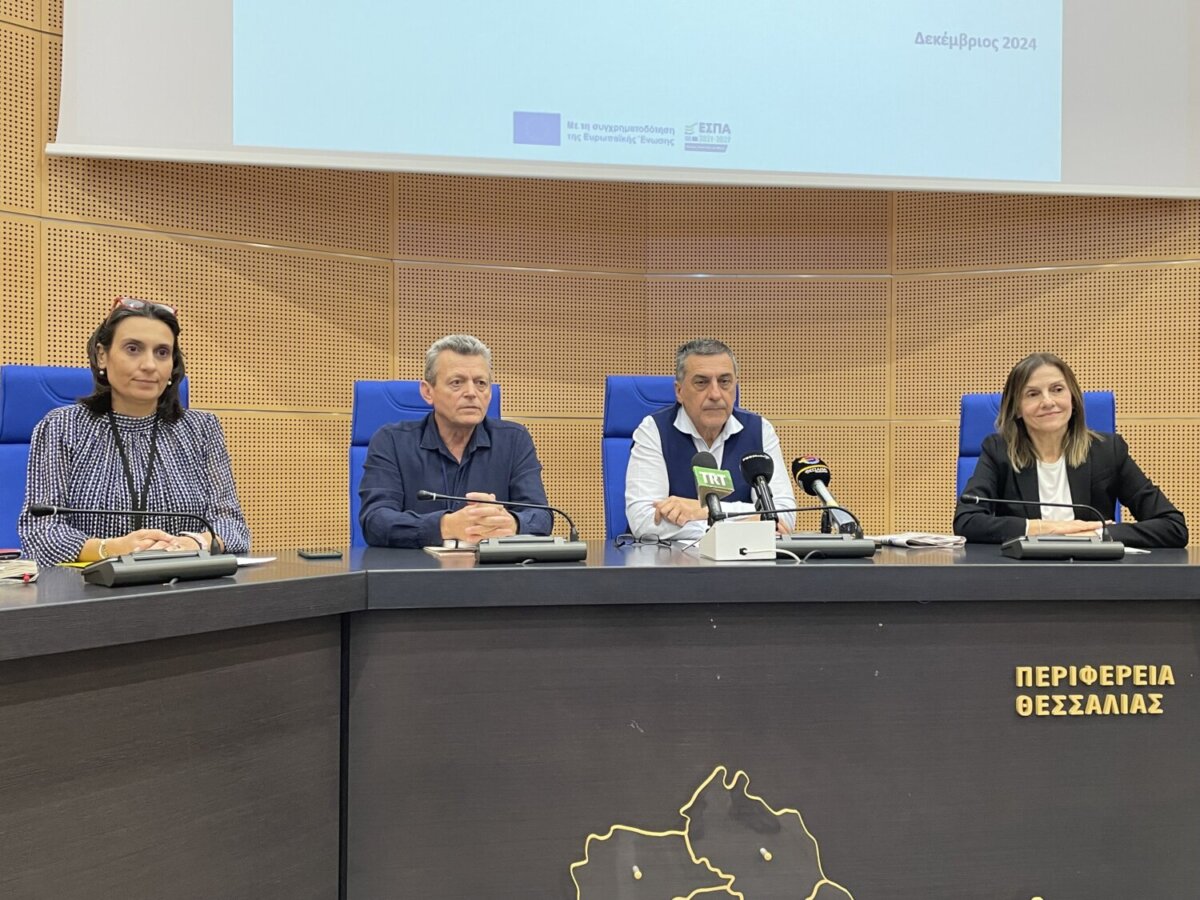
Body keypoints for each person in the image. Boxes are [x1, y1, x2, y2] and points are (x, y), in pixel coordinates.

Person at [18, 297, 251, 566]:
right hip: (91, 586)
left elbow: (234, 528)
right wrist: (111, 549)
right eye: (133, 349)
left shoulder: (202, 429)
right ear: (102, 355)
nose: (150, 365)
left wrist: (195, 543)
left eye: (162, 352)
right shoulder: (62, 426)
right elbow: (40, 532)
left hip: (185, 583)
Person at [953, 352, 1187, 548]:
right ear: (1016, 408)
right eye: (1033, 394)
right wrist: (1046, 528)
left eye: (1057, 389)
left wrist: (1096, 535)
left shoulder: (1108, 451)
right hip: (1022, 576)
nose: (1048, 402)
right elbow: (967, 521)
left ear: (1073, 399)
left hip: (1093, 576)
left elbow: (1173, 526)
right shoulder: (999, 451)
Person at [358, 334, 552, 547]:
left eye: (480, 383)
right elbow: (375, 521)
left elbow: (541, 516)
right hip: (416, 566)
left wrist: (512, 523)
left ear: (489, 392)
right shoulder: (391, 441)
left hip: (490, 567)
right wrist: (446, 526)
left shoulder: (514, 440)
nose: (471, 393)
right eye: (457, 382)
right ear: (428, 392)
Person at [624, 339, 797, 541]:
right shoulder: (653, 430)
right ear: (679, 391)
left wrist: (701, 511)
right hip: (671, 559)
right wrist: (746, 522)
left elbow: (783, 516)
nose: (715, 394)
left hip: (743, 558)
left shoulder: (759, 430)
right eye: (701, 382)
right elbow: (644, 521)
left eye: (724, 382)